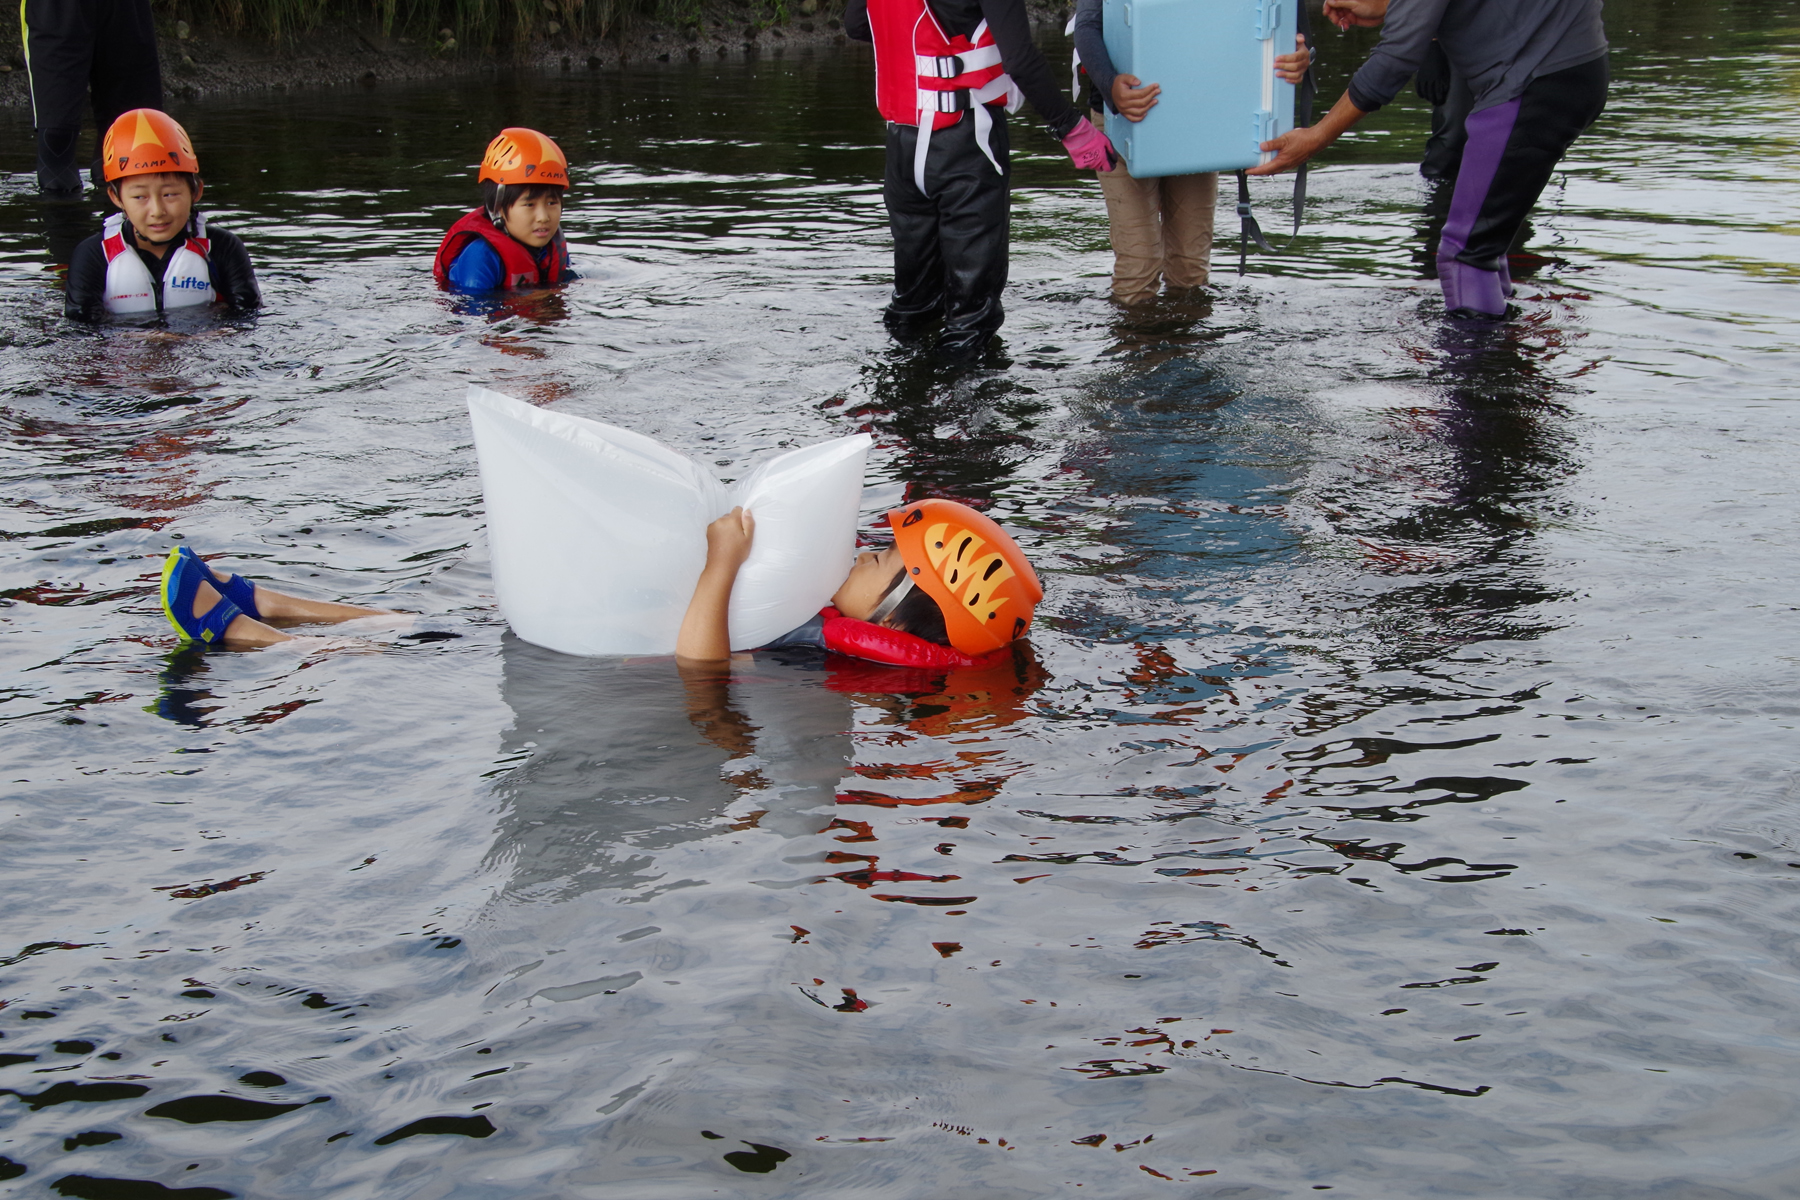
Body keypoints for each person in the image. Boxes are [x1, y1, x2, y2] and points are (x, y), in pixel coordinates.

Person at [158, 499, 1044, 669]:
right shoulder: (837, 617)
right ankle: (280, 600)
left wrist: (722, 563)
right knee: (454, 619)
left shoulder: (830, 665)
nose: (862, 551)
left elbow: (701, 668)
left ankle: (245, 636)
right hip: (610, 624)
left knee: (430, 650)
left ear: (903, 613)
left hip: (604, 669)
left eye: (883, 562)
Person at [1251, 0, 1607, 319]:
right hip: (1574, 71)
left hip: (1529, 86)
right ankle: (1505, 357)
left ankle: (1473, 378)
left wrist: (1318, 135)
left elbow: (1395, 59)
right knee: (1482, 244)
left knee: (1463, 255)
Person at [843, 0, 1116, 358]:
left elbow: (856, 24)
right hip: (967, 144)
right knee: (972, 317)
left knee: (913, 304)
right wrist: (1071, 128)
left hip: (903, 150)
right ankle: (961, 406)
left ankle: (902, 392)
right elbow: (1020, 60)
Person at [1070, 2, 1315, 305]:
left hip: (1198, 118)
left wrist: (1301, 56)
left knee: (1190, 267)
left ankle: (1187, 347)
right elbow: (1087, 25)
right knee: (1139, 266)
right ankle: (1134, 347)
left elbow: (1277, 26)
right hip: (1122, 122)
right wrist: (1110, 85)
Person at [63, 108, 261, 321]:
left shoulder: (223, 248)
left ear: (195, 192)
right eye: (140, 197)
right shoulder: (93, 255)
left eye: (170, 194)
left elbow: (247, 317)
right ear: (116, 197)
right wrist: (149, 339)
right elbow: (81, 328)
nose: (157, 211)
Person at [20, 0, 162, 196]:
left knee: (132, 136)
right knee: (56, 134)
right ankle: (60, 220)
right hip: (55, 9)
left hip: (127, 8)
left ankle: (123, 221)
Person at [433, 128, 575, 293]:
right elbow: (472, 309)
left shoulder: (552, 245)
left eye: (551, 203)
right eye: (529, 205)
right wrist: (538, 300)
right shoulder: (480, 256)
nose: (543, 217)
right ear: (497, 208)